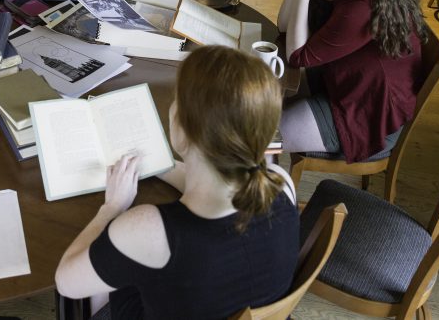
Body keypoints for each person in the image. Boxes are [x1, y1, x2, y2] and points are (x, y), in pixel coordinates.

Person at [55, 46, 299, 319]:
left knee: (103, 281)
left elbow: (66, 282)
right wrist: (160, 165)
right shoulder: (281, 185)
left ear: (180, 130)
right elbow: (211, 190)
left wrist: (112, 207)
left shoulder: (148, 228)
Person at [277, 0, 425, 163]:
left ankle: (264, 197)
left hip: (366, 115)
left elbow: (297, 57)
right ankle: (261, 190)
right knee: (250, 123)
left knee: (252, 136)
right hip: (344, 87)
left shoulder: (363, 2)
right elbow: (283, 27)